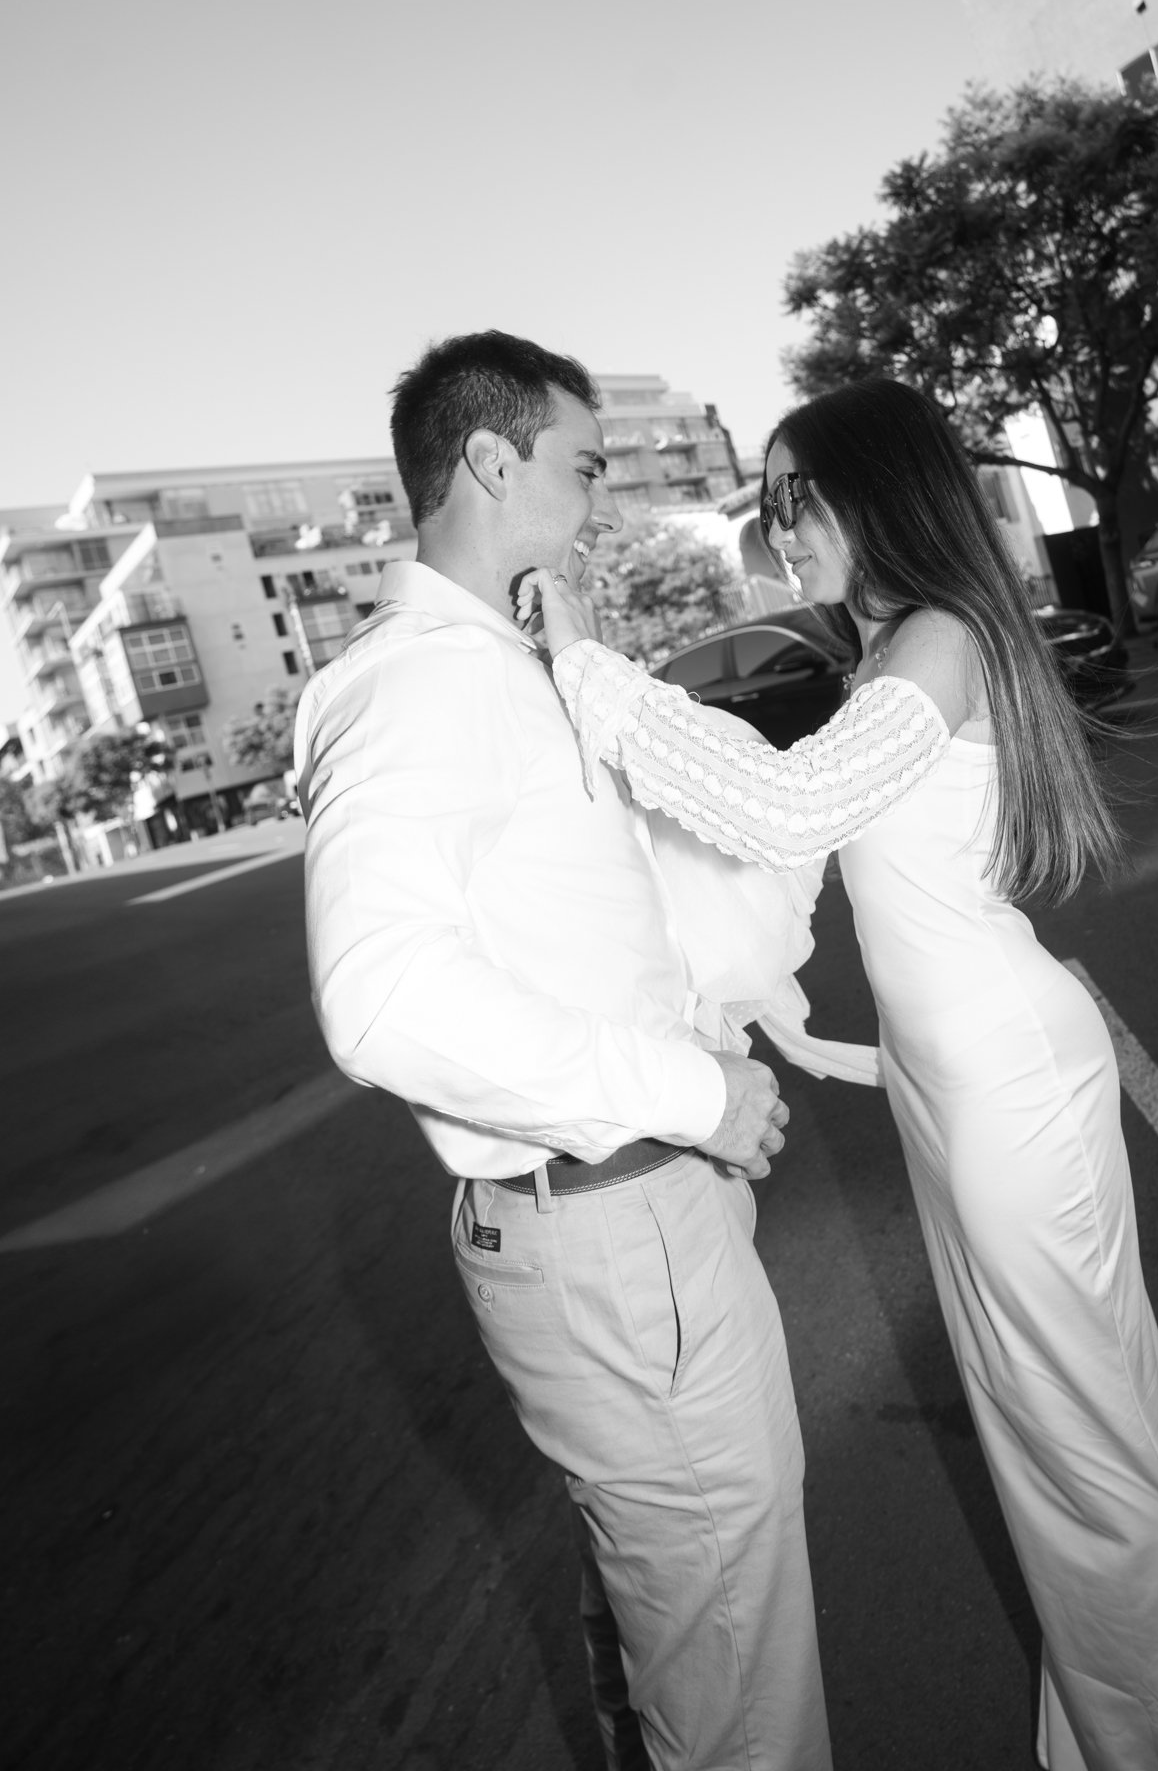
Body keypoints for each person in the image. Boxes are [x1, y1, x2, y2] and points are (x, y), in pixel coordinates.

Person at [525, 376, 1158, 1771]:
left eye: (795, 499)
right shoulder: (893, 652)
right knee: (1048, 1436)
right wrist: (738, 1003)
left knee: (1085, 1446)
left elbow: (789, 806)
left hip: (1010, 1085)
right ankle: (1130, 1727)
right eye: (768, 505)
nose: (777, 531)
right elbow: (793, 858)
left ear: (875, 490)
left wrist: (590, 662)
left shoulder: (941, 635)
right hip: (952, 1088)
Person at [294, 330, 833, 1771]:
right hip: (611, 1227)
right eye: (584, 468)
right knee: (736, 1676)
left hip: (631, 1219)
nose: (601, 500)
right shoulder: (419, 685)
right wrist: (691, 1092)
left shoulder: (508, 664)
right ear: (490, 460)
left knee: (682, 1629)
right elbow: (382, 994)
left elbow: (589, 923)